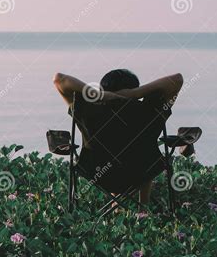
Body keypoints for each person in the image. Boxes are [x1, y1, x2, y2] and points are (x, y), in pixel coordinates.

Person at [53, 69, 183, 206]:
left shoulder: (87, 110)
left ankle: (117, 205)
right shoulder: (150, 110)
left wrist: (99, 95)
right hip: (139, 173)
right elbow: (177, 80)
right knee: (143, 153)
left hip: (98, 174)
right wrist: (135, 93)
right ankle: (143, 208)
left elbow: (59, 79)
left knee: (121, 150)